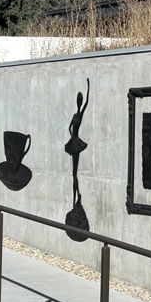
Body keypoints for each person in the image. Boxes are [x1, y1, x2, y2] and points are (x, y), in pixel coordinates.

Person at [65, 79, 90, 207]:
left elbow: (87, 102)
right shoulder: (75, 115)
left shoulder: (80, 114)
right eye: (78, 101)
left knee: (74, 173)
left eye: (79, 101)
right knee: (73, 174)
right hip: (73, 141)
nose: (79, 103)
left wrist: (88, 85)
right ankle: (76, 196)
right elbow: (69, 127)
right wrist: (71, 136)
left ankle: (76, 197)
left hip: (76, 143)